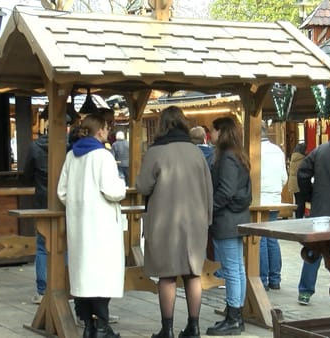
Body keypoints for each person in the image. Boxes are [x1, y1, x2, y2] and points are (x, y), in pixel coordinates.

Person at [136, 106, 213, 338]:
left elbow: (143, 186)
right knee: (193, 274)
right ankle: (194, 327)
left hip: (164, 222)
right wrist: (208, 219)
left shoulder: (156, 151)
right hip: (196, 221)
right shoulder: (197, 152)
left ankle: (167, 330)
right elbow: (208, 188)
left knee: (167, 275)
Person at [57, 114, 127, 338]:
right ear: (100, 131)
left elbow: (62, 192)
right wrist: (122, 185)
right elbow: (112, 191)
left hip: (79, 223)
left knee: (84, 275)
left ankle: (88, 324)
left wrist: (78, 203)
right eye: (107, 129)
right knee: (102, 275)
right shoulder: (102, 156)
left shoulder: (71, 155)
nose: (108, 132)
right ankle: (102, 326)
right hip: (101, 224)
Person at [206, 117, 251, 336]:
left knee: (232, 270)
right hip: (237, 218)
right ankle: (235, 314)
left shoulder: (227, 157)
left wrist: (208, 209)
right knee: (237, 269)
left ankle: (233, 318)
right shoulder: (237, 154)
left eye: (212, 131)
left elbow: (226, 191)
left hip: (226, 219)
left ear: (221, 132)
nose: (209, 135)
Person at [296, 135, 330, 305]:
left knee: (314, 251)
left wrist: (310, 195)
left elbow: (302, 172)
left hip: (322, 207)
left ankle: (305, 291)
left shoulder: (320, 150)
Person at [259, 121, 288, 291]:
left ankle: (262, 279)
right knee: (272, 239)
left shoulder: (252, 150)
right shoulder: (277, 150)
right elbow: (283, 177)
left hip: (259, 200)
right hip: (275, 198)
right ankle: (275, 278)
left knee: (260, 239)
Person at [22, 129, 49, 305]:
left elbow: (27, 174)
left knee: (42, 247)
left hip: (42, 200)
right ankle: (67, 287)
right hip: (66, 201)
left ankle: (43, 291)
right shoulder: (70, 145)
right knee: (67, 245)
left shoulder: (35, 146)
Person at [288, 142, 306, 219]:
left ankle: (297, 216)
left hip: (293, 183)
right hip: (300, 183)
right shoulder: (302, 159)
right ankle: (299, 217)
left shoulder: (293, 157)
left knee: (297, 200)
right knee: (301, 202)